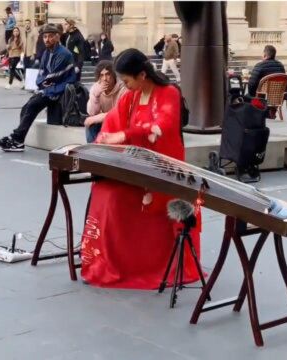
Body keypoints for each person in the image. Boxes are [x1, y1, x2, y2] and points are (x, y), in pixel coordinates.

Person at [82, 48, 201, 289]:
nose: (125, 85)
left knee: (118, 198)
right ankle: (112, 262)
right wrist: (101, 144)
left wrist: (123, 135)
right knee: (106, 192)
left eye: (127, 80)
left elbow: (162, 128)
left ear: (142, 75)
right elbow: (113, 120)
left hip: (162, 168)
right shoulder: (130, 96)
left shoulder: (169, 93)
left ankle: (136, 265)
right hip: (136, 165)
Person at [0, 24, 76, 152]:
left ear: (57, 37)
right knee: (26, 108)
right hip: (48, 89)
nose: (47, 39)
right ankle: (18, 140)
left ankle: (17, 140)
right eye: (45, 37)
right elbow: (41, 74)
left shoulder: (64, 53)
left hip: (60, 90)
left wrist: (44, 84)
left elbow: (54, 75)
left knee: (32, 105)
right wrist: (42, 84)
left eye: (50, 36)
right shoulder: (46, 52)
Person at [84, 60, 126, 143]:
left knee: (93, 120)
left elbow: (120, 113)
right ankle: (93, 150)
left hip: (119, 122)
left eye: (108, 74)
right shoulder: (96, 88)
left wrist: (98, 117)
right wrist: (96, 96)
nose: (105, 79)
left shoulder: (123, 89)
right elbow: (91, 113)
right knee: (90, 124)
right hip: (104, 121)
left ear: (113, 75)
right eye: (101, 75)